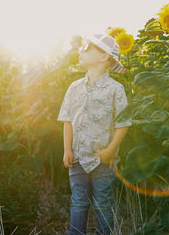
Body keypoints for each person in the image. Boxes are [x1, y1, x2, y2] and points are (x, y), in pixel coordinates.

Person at [57, 33, 132, 235]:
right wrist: (66, 150)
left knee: (104, 204)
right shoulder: (74, 88)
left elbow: (123, 124)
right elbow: (67, 121)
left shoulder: (115, 89)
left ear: (103, 56)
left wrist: (110, 150)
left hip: (103, 160)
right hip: (78, 157)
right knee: (78, 201)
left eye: (88, 47)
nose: (81, 50)